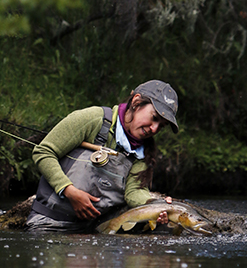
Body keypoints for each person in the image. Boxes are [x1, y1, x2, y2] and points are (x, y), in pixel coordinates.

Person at [26, 80, 178, 232]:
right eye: (154, 118)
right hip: (49, 222)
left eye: (161, 126)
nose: (154, 128)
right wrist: (69, 191)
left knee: (163, 229)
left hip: (93, 228)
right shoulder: (93, 119)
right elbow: (44, 152)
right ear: (136, 102)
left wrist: (157, 206)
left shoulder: (143, 152)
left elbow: (134, 192)